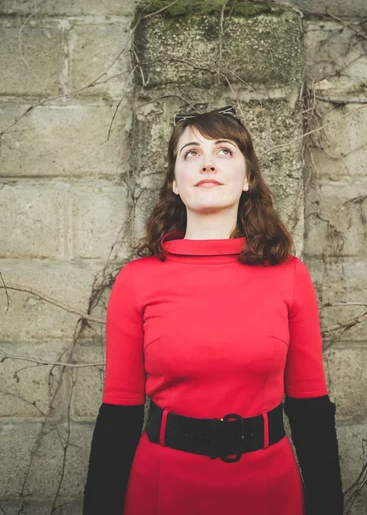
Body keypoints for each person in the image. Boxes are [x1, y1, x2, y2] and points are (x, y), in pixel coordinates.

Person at [83, 106, 344, 515]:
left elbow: (309, 408)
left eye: (224, 151)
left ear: (248, 178)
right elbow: (119, 413)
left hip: (268, 491)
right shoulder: (136, 280)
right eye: (191, 153)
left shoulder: (290, 276)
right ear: (174, 181)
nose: (207, 162)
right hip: (162, 489)